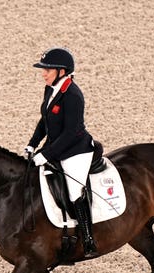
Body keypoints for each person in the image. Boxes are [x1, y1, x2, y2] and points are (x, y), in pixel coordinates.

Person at [24, 47, 99, 258]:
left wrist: (46, 154)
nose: (44, 73)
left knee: (75, 191)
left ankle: (88, 239)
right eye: (44, 69)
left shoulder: (73, 95)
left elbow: (71, 133)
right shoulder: (50, 89)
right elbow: (44, 121)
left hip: (76, 150)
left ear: (62, 71)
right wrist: (32, 144)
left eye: (48, 69)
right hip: (57, 146)